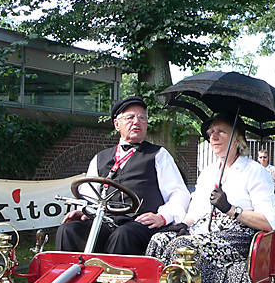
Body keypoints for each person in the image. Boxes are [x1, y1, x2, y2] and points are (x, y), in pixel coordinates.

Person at [146, 113, 275, 283]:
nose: (213, 137)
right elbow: (196, 210)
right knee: (159, 241)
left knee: (191, 247)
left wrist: (231, 208)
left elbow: (268, 222)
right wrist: (180, 225)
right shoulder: (209, 172)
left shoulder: (254, 171)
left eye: (221, 132)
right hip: (203, 231)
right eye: (210, 133)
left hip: (238, 235)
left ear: (237, 139)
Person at [55, 96, 190, 255]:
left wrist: (162, 216)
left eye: (142, 118)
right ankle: (69, 278)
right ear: (116, 124)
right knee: (69, 230)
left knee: (123, 235)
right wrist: (84, 210)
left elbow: (179, 193)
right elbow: (88, 195)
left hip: (139, 223)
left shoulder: (158, 155)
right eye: (130, 117)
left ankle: (112, 280)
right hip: (105, 221)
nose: (136, 122)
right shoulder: (100, 158)